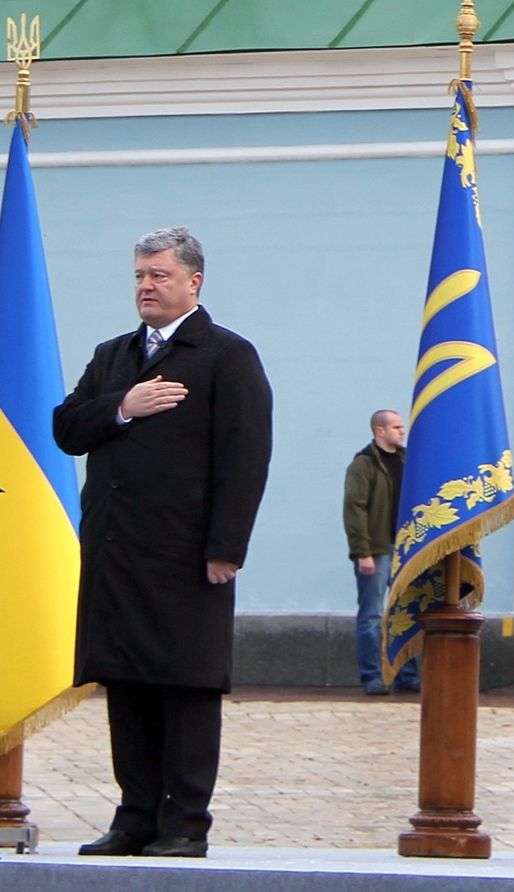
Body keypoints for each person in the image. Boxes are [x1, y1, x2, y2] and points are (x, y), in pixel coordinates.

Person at [53, 227, 272, 859]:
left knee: (186, 687)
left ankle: (186, 823)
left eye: (160, 276)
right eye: (140, 277)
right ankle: (135, 816)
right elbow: (67, 427)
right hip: (117, 552)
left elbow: (245, 456)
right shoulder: (113, 356)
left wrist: (226, 546)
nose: (147, 287)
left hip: (186, 556)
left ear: (193, 282)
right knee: (126, 684)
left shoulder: (226, 355)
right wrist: (124, 404)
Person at [342, 409, 419, 695]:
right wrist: (362, 552)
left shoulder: (407, 460)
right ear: (379, 431)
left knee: (407, 611)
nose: (402, 432)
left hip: (405, 549)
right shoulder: (364, 465)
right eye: (396, 427)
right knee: (372, 615)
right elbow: (354, 508)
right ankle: (372, 676)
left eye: (402, 427)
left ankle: (406, 674)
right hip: (377, 549)